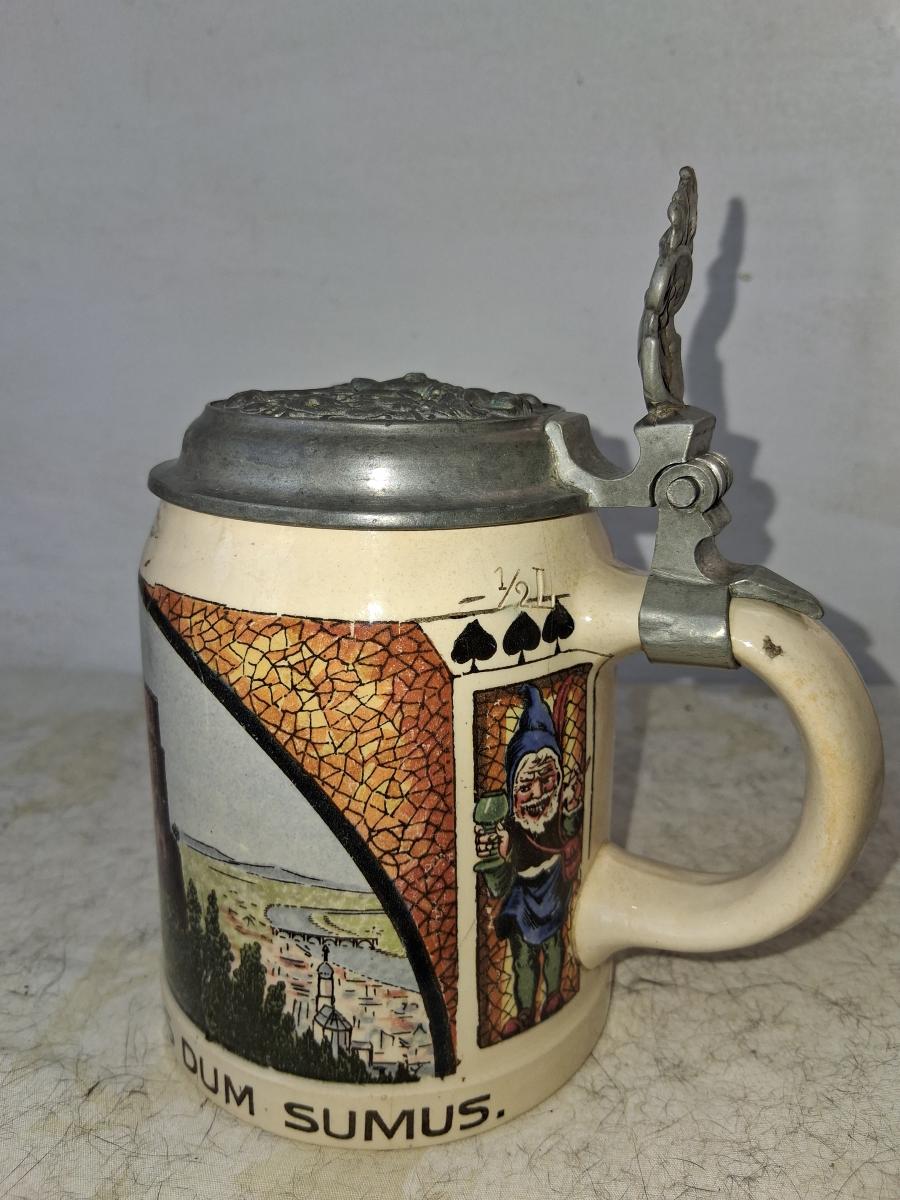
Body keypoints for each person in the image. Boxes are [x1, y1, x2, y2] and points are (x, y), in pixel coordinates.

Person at [475, 684, 582, 1038]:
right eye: (526, 785)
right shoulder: (511, 826)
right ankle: (523, 1012)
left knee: (554, 947)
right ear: (512, 788)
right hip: (522, 895)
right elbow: (500, 876)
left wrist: (571, 808)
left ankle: (553, 997)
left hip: (554, 887)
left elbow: (570, 831)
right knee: (522, 957)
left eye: (546, 779)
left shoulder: (558, 812)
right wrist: (496, 855)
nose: (537, 793)